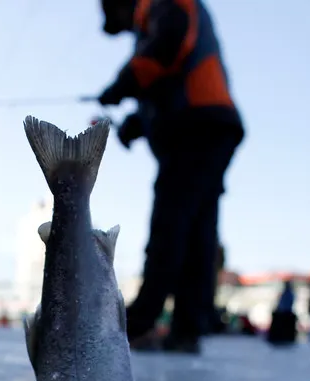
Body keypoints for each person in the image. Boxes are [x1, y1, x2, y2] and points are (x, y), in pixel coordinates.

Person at [97, 0, 244, 354]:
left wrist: (122, 83)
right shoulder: (156, 13)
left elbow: (167, 46)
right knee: (197, 231)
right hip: (210, 123)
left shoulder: (163, 4)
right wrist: (137, 123)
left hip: (196, 125)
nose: (127, 28)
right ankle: (187, 328)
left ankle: (141, 322)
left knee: (171, 224)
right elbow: (169, 82)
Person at [266, 280, 298, 346]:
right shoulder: (287, 293)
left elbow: (286, 303)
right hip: (285, 313)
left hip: (285, 313)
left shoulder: (288, 294)